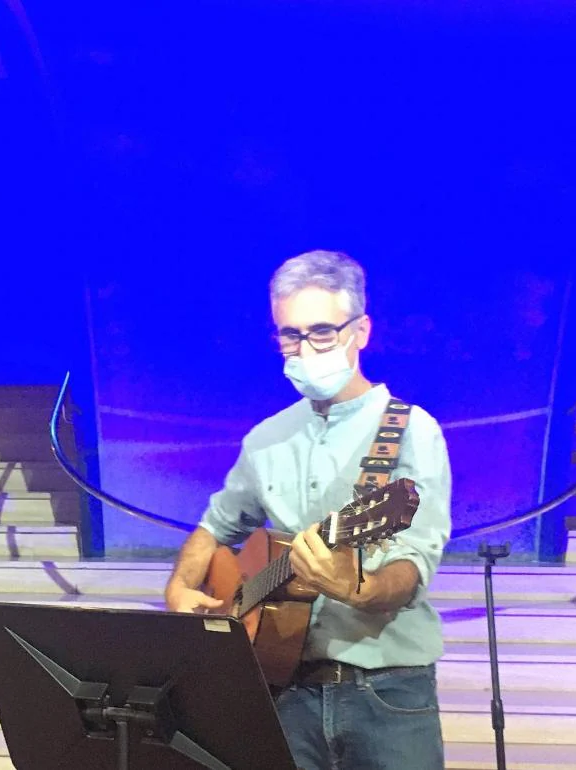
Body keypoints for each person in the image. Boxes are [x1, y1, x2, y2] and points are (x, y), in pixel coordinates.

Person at [164, 250, 451, 770]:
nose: (303, 349)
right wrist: (181, 585)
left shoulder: (411, 431)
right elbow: (215, 527)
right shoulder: (266, 439)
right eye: (290, 335)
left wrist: (359, 588)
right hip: (280, 691)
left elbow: (414, 562)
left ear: (360, 331)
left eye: (321, 332)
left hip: (387, 696)